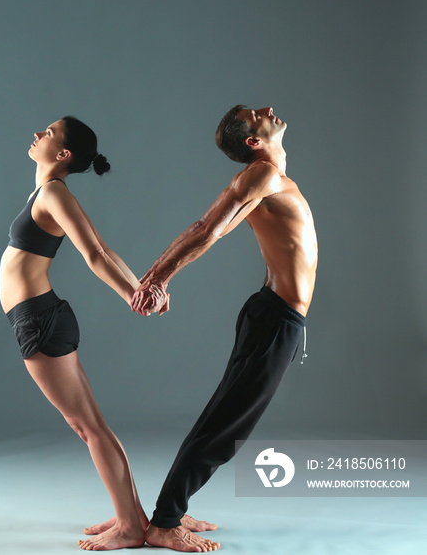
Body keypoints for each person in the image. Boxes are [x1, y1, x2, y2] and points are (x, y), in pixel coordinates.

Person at [132, 105, 318, 553]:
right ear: (254, 141)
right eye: (257, 115)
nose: (268, 110)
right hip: (274, 317)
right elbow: (206, 229)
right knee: (228, 423)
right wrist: (158, 278)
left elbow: (208, 227)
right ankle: (164, 523)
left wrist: (156, 274)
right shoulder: (260, 175)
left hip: (275, 316)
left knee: (223, 417)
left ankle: (170, 510)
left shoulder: (268, 179)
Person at [0, 115, 165, 551]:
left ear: (63, 154)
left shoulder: (53, 192)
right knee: (91, 426)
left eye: (48, 133)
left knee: (88, 427)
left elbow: (95, 252)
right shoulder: (46, 191)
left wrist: (135, 293)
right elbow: (102, 249)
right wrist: (142, 288)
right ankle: (133, 516)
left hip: (39, 319)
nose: (37, 133)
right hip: (38, 317)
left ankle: (131, 528)